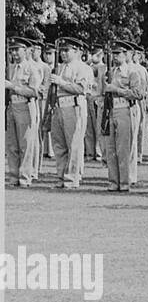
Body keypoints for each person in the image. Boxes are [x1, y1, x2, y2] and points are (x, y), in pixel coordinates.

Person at [47, 37, 95, 189]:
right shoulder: (59, 68)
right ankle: (61, 177)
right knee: (59, 145)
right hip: (59, 107)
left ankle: (72, 178)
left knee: (73, 144)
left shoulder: (83, 68)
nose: (63, 53)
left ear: (77, 51)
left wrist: (61, 82)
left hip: (74, 105)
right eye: (62, 50)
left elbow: (81, 89)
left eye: (67, 50)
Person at [101, 40, 148, 192]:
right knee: (111, 148)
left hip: (125, 108)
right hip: (111, 109)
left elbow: (138, 94)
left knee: (123, 148)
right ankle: (113, 181)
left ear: (126, 54)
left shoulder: (132, 72)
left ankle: (125, 182)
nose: (115, 57)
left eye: (118, 53)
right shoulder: (111, 72)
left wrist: (117, 90)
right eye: (113, 53)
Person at [5, 35, 43, 187]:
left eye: (17, 50)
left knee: (25, 144)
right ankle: (14, 176)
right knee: (12, 145)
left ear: (26, 50)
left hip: (26, 105)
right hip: (12, 107)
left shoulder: (31, 68)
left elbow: (34, 91)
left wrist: (13, 87)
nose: (14, 53)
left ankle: (25, 176)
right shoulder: (12, 68)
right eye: (12, 50)